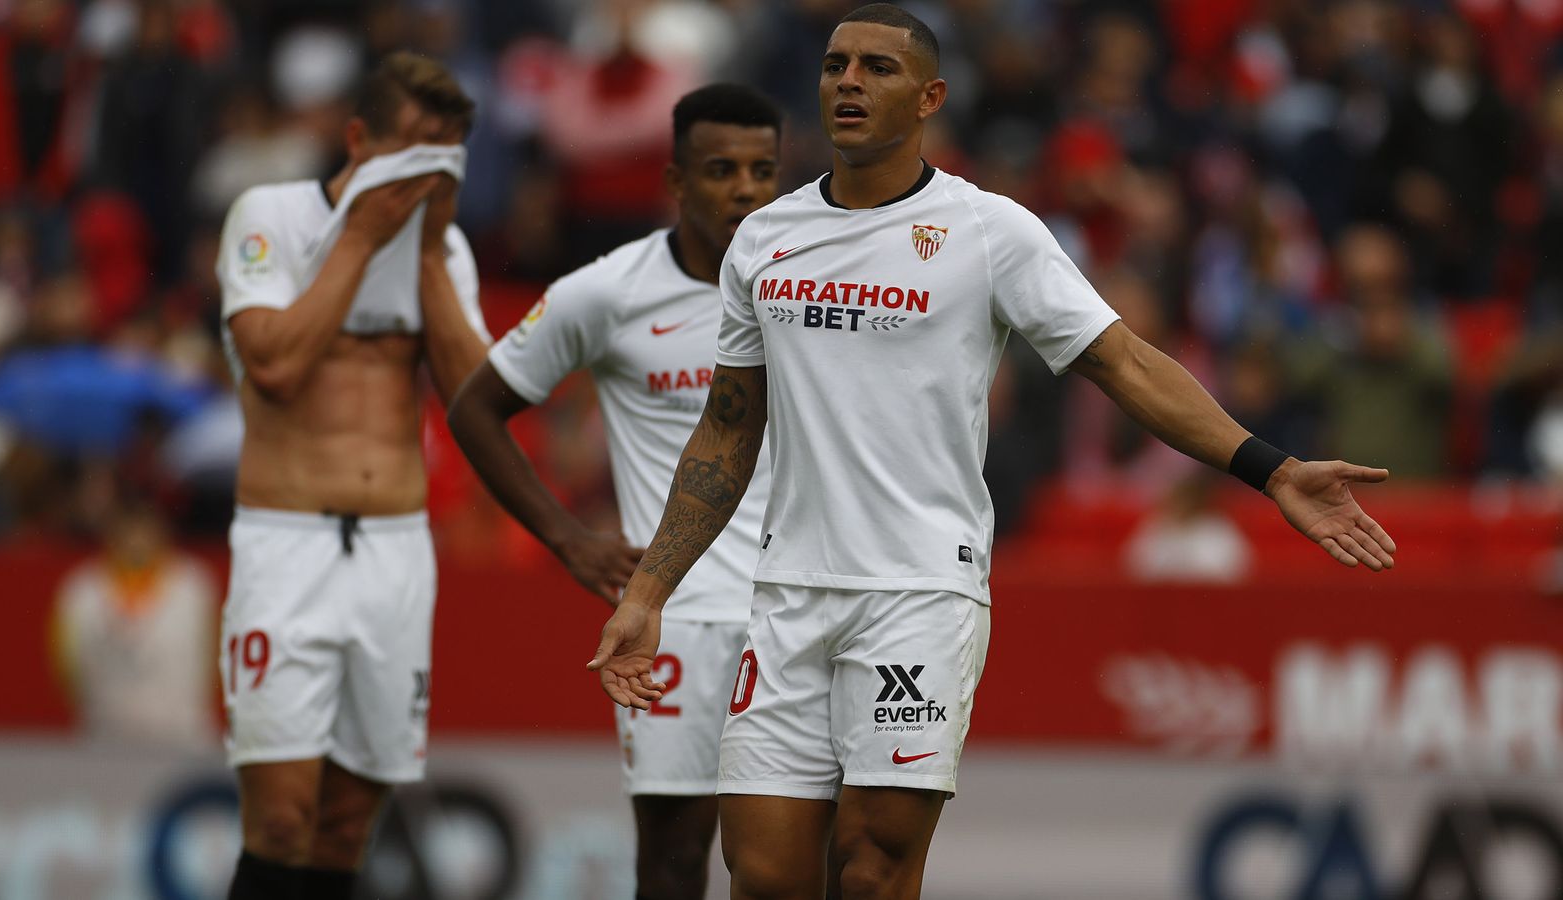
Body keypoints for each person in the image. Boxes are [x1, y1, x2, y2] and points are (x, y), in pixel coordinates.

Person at [587, 5, 1399, 898]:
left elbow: (1124, 361)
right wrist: (651, 588)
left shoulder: (988, 231)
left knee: (871, 868)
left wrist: (1272, 468)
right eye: (835, 65)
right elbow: (729, 428)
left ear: (931, 95)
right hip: (785, 596)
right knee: (764, 875)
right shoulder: (764, 239)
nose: (849, 81)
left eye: (877, 68)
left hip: (919, 592)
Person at [447, 83, 782, 900]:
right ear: (674, 181)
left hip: (800, 603)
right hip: (678, 615)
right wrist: (566, 538)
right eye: (720, 168)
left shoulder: (809, 285)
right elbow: (477, 410)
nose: (744, 188)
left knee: (801, 860)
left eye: (763, 169)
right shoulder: (609, 292)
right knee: (673, 857)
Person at [213, 52, 490, 900]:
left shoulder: (442, 249)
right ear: (359, 138)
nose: (424, 171)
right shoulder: (273, 215)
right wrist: (366, 234)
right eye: (411, 148)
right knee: (283, 820)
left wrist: (433, 250)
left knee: (344, 827)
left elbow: (476, 400)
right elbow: (275, 367)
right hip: (286, 541)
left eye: (444, 155)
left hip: (395, 552)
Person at [52, 498, 217, 748]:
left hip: (183, 732)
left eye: (144, 531)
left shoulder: (193, 586)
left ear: (161, 534)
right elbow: (68, 665)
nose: (136, 540)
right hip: (106, 729)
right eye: (128, 531)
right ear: (111, 535)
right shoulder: (81, 591)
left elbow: (213, 653)